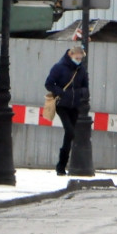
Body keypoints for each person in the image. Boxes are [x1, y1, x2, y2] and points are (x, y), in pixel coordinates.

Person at [44, 45, 88, 176]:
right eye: (77, 58)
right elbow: (49, 83)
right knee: (69, 131)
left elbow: (85, 85)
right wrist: (61, 93)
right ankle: (61, 166)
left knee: (71, 135)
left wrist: (82, 93)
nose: (79, 60)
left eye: (80, 58)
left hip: (75, 105)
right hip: (62, 104)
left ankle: (63, 166)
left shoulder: (81, 69)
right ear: (70, 55)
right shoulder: (59, 67)